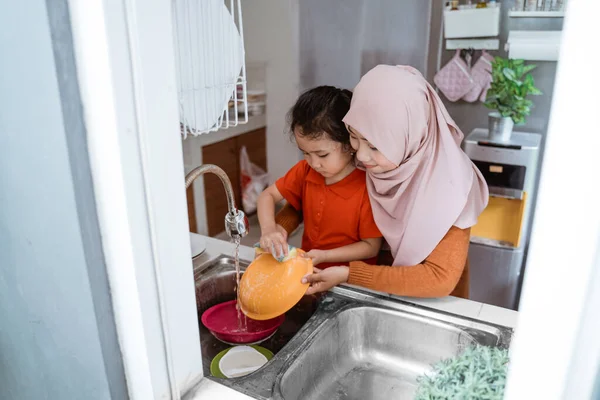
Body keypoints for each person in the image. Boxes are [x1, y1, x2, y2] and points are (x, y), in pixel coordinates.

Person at [275, 65, 488, 298]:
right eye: (354, 138)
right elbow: (308, 196)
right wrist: (279, 229)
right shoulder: (376, 160)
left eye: (375, 145)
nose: (362, 156)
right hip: (375, 292)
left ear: (410, 135)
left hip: (430, 306)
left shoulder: (452, 188)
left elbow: (438, 278)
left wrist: (350, 274)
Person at [257, 86, 383, 269]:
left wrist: (325, 256)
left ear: (349, 144)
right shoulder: (305, 171)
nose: (314, 163)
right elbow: (266, 196)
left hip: (351, 282)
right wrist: (269, 229)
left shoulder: (367, 187)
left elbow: (371, 247)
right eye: (305, 153)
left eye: (322, 155)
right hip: (310, 270)